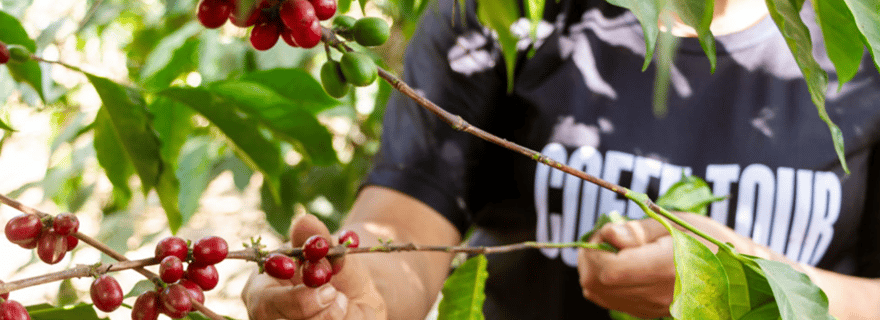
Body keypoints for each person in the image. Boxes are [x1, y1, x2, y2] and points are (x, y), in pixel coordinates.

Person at [242, 0, 880, 318]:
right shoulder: (494, 14)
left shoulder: (863, 43)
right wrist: (359, 300)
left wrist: (744, 283)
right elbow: (406, 227)